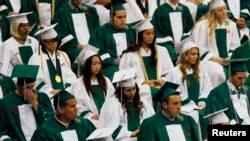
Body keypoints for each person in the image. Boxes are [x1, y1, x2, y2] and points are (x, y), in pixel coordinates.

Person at [120, 18, 174, 111]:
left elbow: (170, 72)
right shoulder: (130, 54)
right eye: (147, 34)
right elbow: (126, 77)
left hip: (160, 84)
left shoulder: (162, 50)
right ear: (141, 35)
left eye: (153, 33)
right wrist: (144, 82)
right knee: (154, 92)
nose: (151, 36)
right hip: (140, 87)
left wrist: (163, 80)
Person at [167, 40, 212, 140]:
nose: (196, 56)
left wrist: (202, 102)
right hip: (184, 107)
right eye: (193, 54)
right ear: (185, 55)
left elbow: (207, 88)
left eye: (197, 54)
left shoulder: (200, 70)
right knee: (197, 115)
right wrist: (193, 105)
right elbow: (175, 93)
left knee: (207, 113)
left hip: (199, 105)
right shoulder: (175, 72)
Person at [192, 0, 241, 87]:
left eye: (225, 9)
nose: (224, 12)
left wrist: (230, 56)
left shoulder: (231, 24)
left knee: (241, 72)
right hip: (209, 60)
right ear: (213, 12)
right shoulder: (203, 25)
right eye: (220, 10)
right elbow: (200, 47)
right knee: (217, 72)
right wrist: (215, 58)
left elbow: (235, 45)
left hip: (228, 59)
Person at [98, 68, 155, 141]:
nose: (132, 93)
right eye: (128, 90)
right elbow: (111, 128)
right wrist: (131, 133)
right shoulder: (112, 103)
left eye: (134, 89)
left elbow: (151, 120)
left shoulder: (143, 102)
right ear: (121, 91)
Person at [0, 65, 54, 141]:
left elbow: (50, 124)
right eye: (28, 88)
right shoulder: (6, 103)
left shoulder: (42, 98)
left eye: (33, 87)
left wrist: (35, 104)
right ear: (19, 86)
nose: (31, 90)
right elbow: (2, 132)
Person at [88, 0, 136, 80]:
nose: (123, 20)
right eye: (119, 17)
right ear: (111, 17)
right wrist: (114, 61)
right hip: (109, 66)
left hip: (129, 64)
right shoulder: (101, 31)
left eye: (125, 17)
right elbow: (97, 52)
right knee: (119, 76)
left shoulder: (130, 30)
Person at [70, 45, 115, 127]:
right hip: (90, 121)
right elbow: (77, 104)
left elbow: (113, 99)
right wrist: (91, 116)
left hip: (108, 118)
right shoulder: (78, 83)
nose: (97, 66)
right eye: (93, 64)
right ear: (86, 65)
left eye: (99, 63)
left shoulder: (106, 80)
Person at [28, 24, 77, 98]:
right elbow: (35, 82)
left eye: (56, 41)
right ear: (44, 42)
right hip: (48, 96)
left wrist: (66, 90)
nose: (54, 44)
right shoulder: (35, 58)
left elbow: (70, 76)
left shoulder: (63, 55)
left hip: (65, 94)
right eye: (51, 42)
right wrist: (52, 91)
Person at [53, 0, 100, 74]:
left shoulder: (90, 10)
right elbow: (62, 34)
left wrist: (92, 46)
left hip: (91, 46)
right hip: (72, 47)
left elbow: (97, 31)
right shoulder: (62, 13)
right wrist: (79, 45)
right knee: (84, 56)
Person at [31, 90, 96, 140]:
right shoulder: (45, 131)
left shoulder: (84, 123)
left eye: (76, 105)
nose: (76, 109)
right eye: (72, 106)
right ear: (61, 110)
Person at [205, 58, 250, 125]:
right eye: (239, 78)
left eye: (245, 78)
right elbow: (221, 122)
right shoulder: (218, 93)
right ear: (230, 75)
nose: (242, 81)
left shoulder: (246, 90)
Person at [0, 12, 39, 76]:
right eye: (22, 26)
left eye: (27, 25)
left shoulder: (34, 42)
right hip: (16, 78)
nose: (26, 28)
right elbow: (5, 68)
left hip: (35, 76)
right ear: (15, 28)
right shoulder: (7, 45)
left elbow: (39, 61)